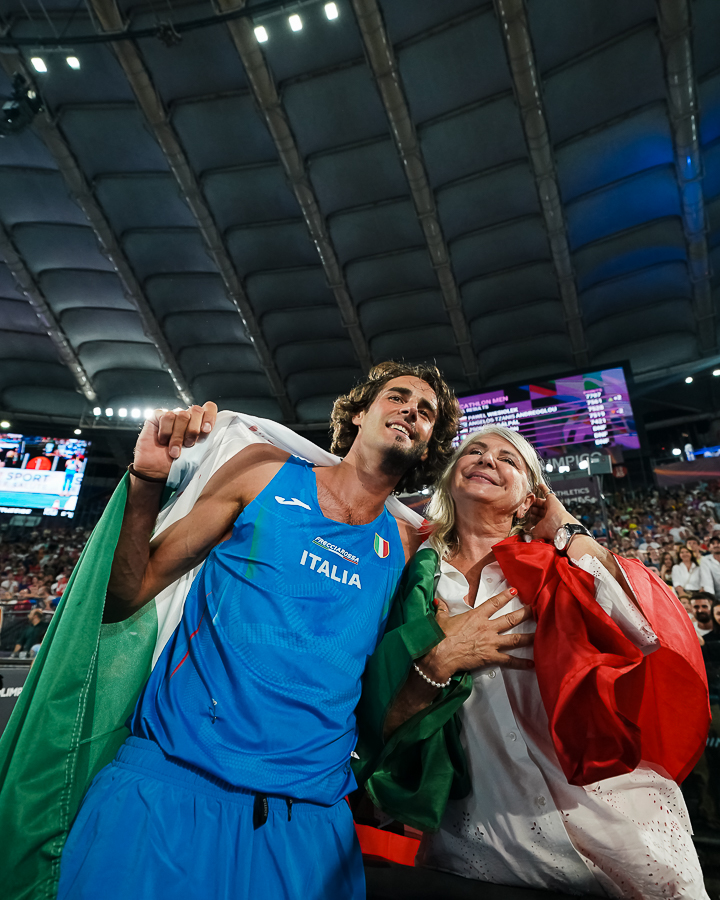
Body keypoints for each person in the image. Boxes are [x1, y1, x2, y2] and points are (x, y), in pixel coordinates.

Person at [57, 362, 462, 900]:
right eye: (397, 397)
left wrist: (565, 530)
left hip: (308, 824)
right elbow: (126, 595)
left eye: (426, 411)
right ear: (359, 414)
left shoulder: (410, 549)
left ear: (429, 446)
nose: (411, 410)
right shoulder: (264, 472)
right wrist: (148, 478)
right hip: (173, 786)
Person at [355, 426, 709, 898]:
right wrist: (439, 662)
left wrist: (565, 526)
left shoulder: (558, 566)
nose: (488, 459)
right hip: (480, 843)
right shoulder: (409, 580)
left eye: (509, 459)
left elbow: (643, 628)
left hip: (614, 829)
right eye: (475, 451)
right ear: (449, 480)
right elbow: (378, 717)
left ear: (529, 500)